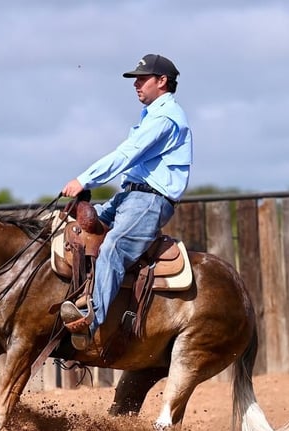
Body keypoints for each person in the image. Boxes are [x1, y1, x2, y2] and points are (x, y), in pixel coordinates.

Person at [59, 53, 193, 350]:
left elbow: (126, 155)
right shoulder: (152, 116)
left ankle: (89, 320)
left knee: (113, 248)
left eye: (142, 79)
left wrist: (85, 180)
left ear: (162, 82)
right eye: (136, 79)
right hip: (131, 196)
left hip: (149, 201)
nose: (136, 84)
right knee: (73, 227)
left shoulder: (165, 119)